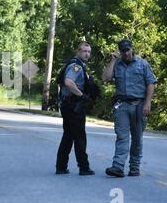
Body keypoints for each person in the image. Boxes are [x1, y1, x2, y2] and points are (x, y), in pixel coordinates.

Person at [102, 39, 157, 177]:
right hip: (122, 105)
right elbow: (106, 78)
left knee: (137, 138)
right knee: (122, 136)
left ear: (132, 49)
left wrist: (147, 103)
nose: (126, 53)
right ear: (119, 52)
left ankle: (134, 167)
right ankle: (118, 167)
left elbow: (151, 83)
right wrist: (113, 61)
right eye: (123, 51)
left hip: (139, 105)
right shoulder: (117, 64)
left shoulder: (142, 64)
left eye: (127, 50)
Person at [56, 42, 95, 176]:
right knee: (79, 137)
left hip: (69, 105)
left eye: (89, 52)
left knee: (68, 136)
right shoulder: (76, 66)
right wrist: (82, 96)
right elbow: (68, 82)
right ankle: (84, 167)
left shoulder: (75, 64)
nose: (87, 54)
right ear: (78, 51)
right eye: (84, 51)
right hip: (73, 106)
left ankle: (61, 166)